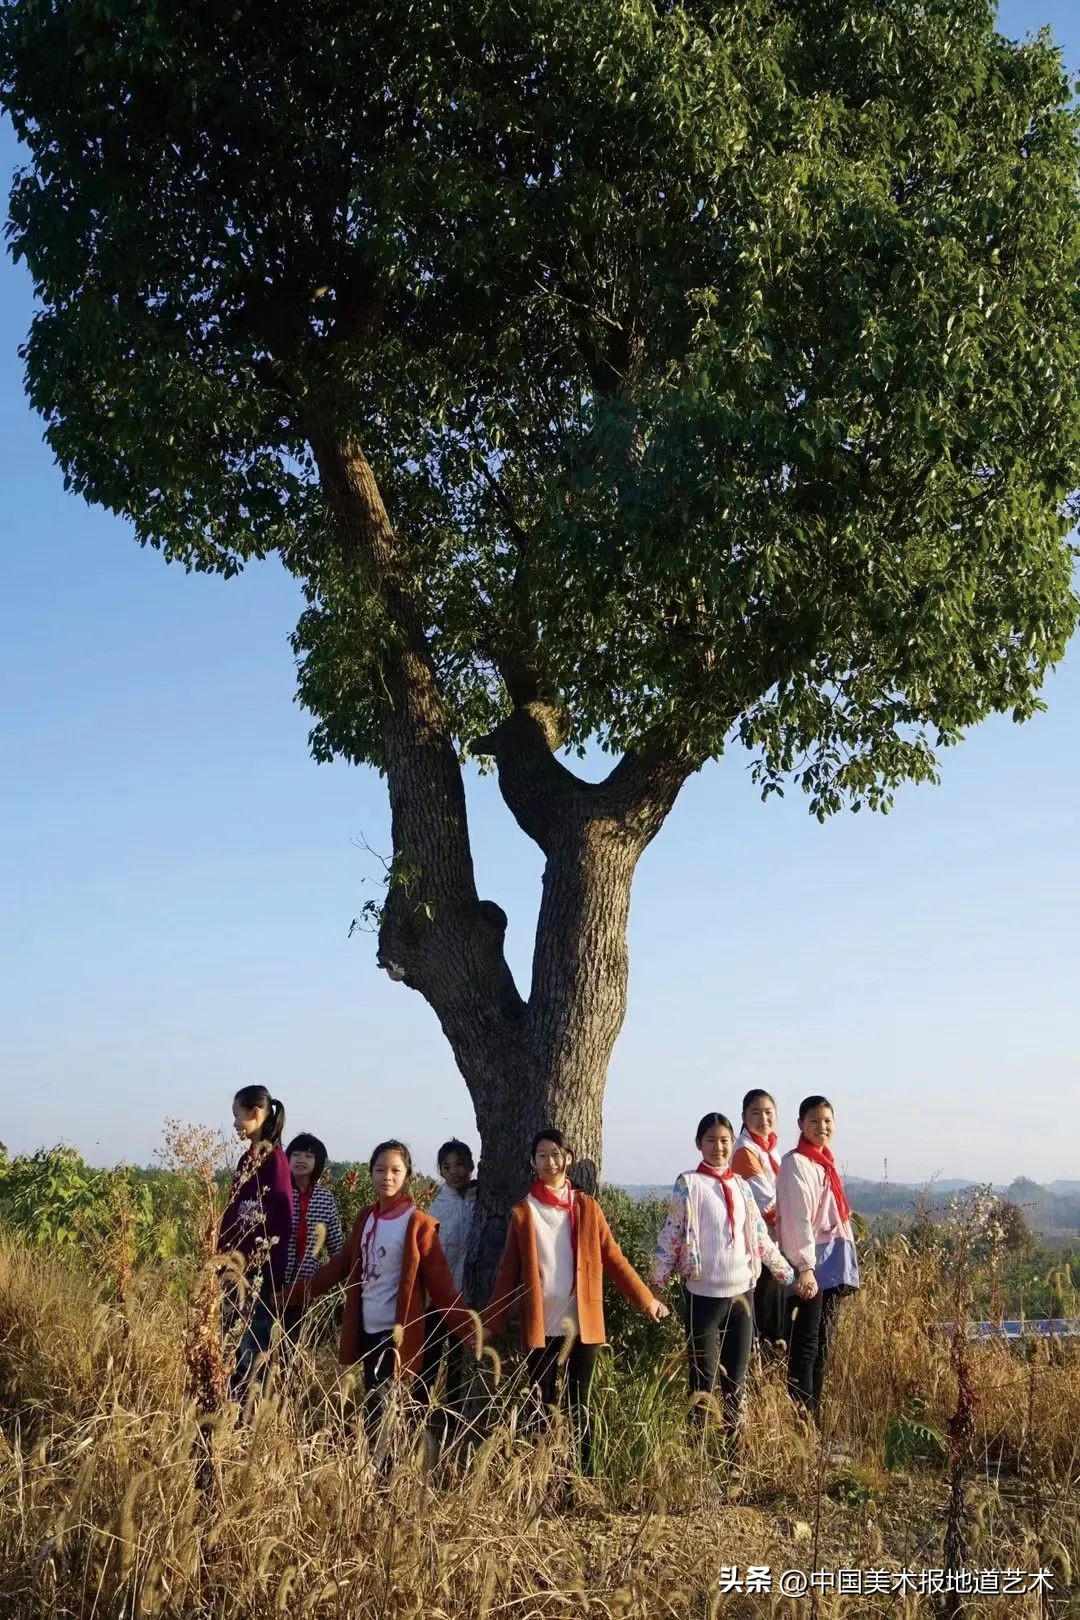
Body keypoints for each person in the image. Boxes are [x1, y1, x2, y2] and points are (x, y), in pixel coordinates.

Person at [484, 1128, 669, 1476]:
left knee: (578, 1405)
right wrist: (487, 1326)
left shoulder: (586, 1207)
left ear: (568, 1158)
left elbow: (614, 1258)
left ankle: (581, 1478)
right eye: (542, 1155)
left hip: (582, 1324)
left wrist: (647, 1301)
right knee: (541, 1406)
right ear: (532, 1161)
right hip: (541, 1325)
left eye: (556, 1154)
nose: (549, 1162)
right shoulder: (524, 1212)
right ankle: (545, 1478)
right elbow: (507, 1273)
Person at [283, 1139, 473, 1464]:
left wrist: (472, 1330)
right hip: (366, 1329)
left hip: (394, 1333)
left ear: (407, 1175)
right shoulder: (366, 1218)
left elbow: (442, 1285)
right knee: (375, 1405)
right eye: (381, 1169)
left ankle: (383, 1479)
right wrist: (292, 1294)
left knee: (382, 1409)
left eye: (395, 1170)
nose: (388, 1176)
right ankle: (382, 1475)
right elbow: (339, 1266)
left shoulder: (418, 1223)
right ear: (370, 1173)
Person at [650, 1112, 794, 1434]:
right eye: (711, 1140)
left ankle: (733, 1453)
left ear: (732, 1142)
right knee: (703, 1381)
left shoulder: (742, 1186)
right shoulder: (689, 1184)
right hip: (703, 1297)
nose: (719, 1147)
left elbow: (759, 1236)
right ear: (699, 1144)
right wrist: (655, 1285)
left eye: (725, 1140)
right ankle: (698, 1449)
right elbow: (672, 1234)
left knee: (736, 1381)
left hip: (742, 1295)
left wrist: (788, 1274)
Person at [775, 1095, 860, 1419]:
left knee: (823, 1344)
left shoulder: (825, 1162)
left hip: (832, 1258)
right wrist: (804, 1267)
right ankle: (802, 1422)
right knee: (806, 1345)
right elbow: (797, 1219)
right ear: (800, 1124)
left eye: (827, 1121)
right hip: (810, 1262)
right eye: (813, 1121)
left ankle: (815, 1420)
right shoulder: (796, 1163)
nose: (821, 1127)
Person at [218, 1085, 294, 1398]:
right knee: (229, 1346)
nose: (235, 1123)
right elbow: (234, 1212)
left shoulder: (275, 1162)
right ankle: (231, 1407)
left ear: (255, 1113)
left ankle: (248, 1413)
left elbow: (282, 1222)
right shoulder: (247, 1160)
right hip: (233, 1272)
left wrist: (270, 1277)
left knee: (251, 1349)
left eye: (238, 1116)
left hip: (257, 1276)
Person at [423, 1138, 477, 1449]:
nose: (455, 1171)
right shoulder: (437, 1208)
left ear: (471, 1166)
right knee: (429, 1363)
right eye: (447, 1166)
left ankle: (453, 1428)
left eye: (460, 1165)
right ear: (440, 1171)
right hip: (436, 1300)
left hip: (466, 1301)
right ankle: (419, 1423)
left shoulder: (480, 1201)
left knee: (458, 1366)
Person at [730, 1089, 790, 1347]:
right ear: (744, 1117)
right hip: (762, 1243)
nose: (764, 1119)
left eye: (768, 1112)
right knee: (766, 1314)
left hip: (776, 1239)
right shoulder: (746, 1152)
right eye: (756, 1113)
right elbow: (767, 1203)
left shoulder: (769, 1148)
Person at [282, 1133, 344, 1345]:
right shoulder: (276, 1191)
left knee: (292, 1345)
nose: (301, 1160)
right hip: (272, 1281)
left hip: (304, 1286)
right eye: (296, 1155)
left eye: (308, 1156)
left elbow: (336, 1245)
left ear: (317, 1162)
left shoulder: (325, 1198)